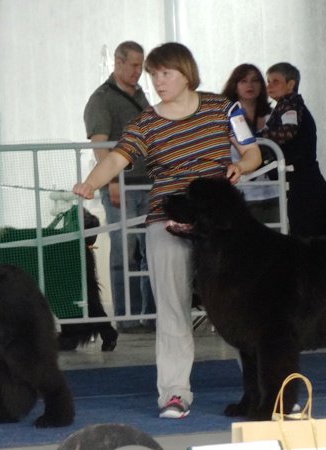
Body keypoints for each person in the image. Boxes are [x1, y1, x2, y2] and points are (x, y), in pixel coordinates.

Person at [73, 42, 262, 419]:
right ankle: (175, 393)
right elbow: (116, 158)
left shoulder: (222, 108)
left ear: (186, 72)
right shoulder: (145, 122)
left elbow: (252, 152)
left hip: (220, 225)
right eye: (153, 75)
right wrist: (91, 183)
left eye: (165, 74)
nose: (158, 82)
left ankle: (266, 390)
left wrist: (243, 167)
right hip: (167, 219)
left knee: (245, 309)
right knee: (173, 309)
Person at [83, 41, 155, 332]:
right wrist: (112, 180)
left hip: (148, 184)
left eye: (141, 65)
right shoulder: (101, 100)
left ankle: (151, 315)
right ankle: (127, 316)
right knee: (124, 250)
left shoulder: (142, 97)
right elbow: (100, 145)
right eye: (134, 65)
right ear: (118, 63)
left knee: (150, 249)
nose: (138, 71)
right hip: (121, 185)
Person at [259, 62, 326, 237]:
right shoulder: (287, 106)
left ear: (291, 84)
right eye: (268, 81)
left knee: (304, 238)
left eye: (275, 81)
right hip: (306, 184)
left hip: (304, 186)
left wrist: (257, 138)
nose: (269, 86)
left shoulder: (290, 105)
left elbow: (287, 132)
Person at [221, 64, 279, 225]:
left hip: (271, 190)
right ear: (234, 85)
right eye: (243, 81)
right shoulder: (224, 117)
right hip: (238, 193)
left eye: (255, 80)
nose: (250, 85)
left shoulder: (273, 115)